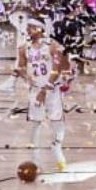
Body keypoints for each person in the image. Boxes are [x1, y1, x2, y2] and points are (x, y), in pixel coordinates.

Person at [17, 20, 70, 173]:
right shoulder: (24, 48)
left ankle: (57, 152)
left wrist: (45, 89)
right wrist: (26, 76)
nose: (29, 30)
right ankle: (35, 161)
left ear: (40, 29)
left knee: (57, 122)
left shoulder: (52, 45)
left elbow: (58, 68)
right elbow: (20, 67)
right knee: (36, 123)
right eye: (28, 27)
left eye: (32, 27)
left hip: (52, 89)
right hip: (35, 89)